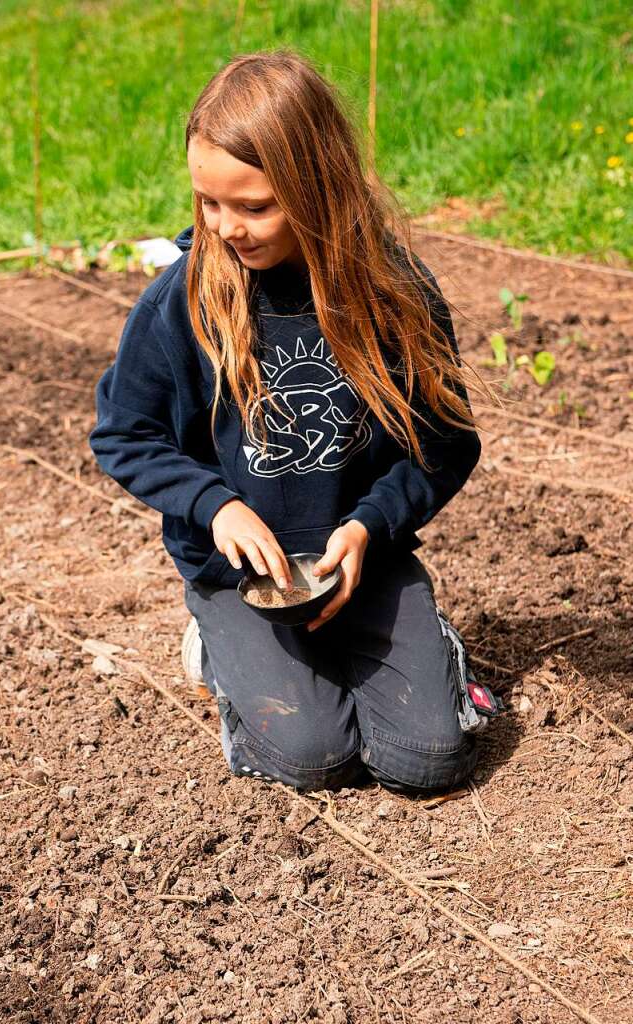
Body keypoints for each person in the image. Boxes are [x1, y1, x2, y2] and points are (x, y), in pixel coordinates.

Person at [89, 48, 499, 796]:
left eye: (254, 206)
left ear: (317, 186)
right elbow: (124, 434)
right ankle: (218, 649)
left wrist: (370, 526)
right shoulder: (182, 301)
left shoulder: (393, 294)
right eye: (208, 203)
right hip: (239, 579)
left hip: (358, 561)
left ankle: (431, 650)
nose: (227, 228)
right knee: (314, 755)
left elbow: (445, 444)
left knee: (427, 762)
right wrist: (217, 507)